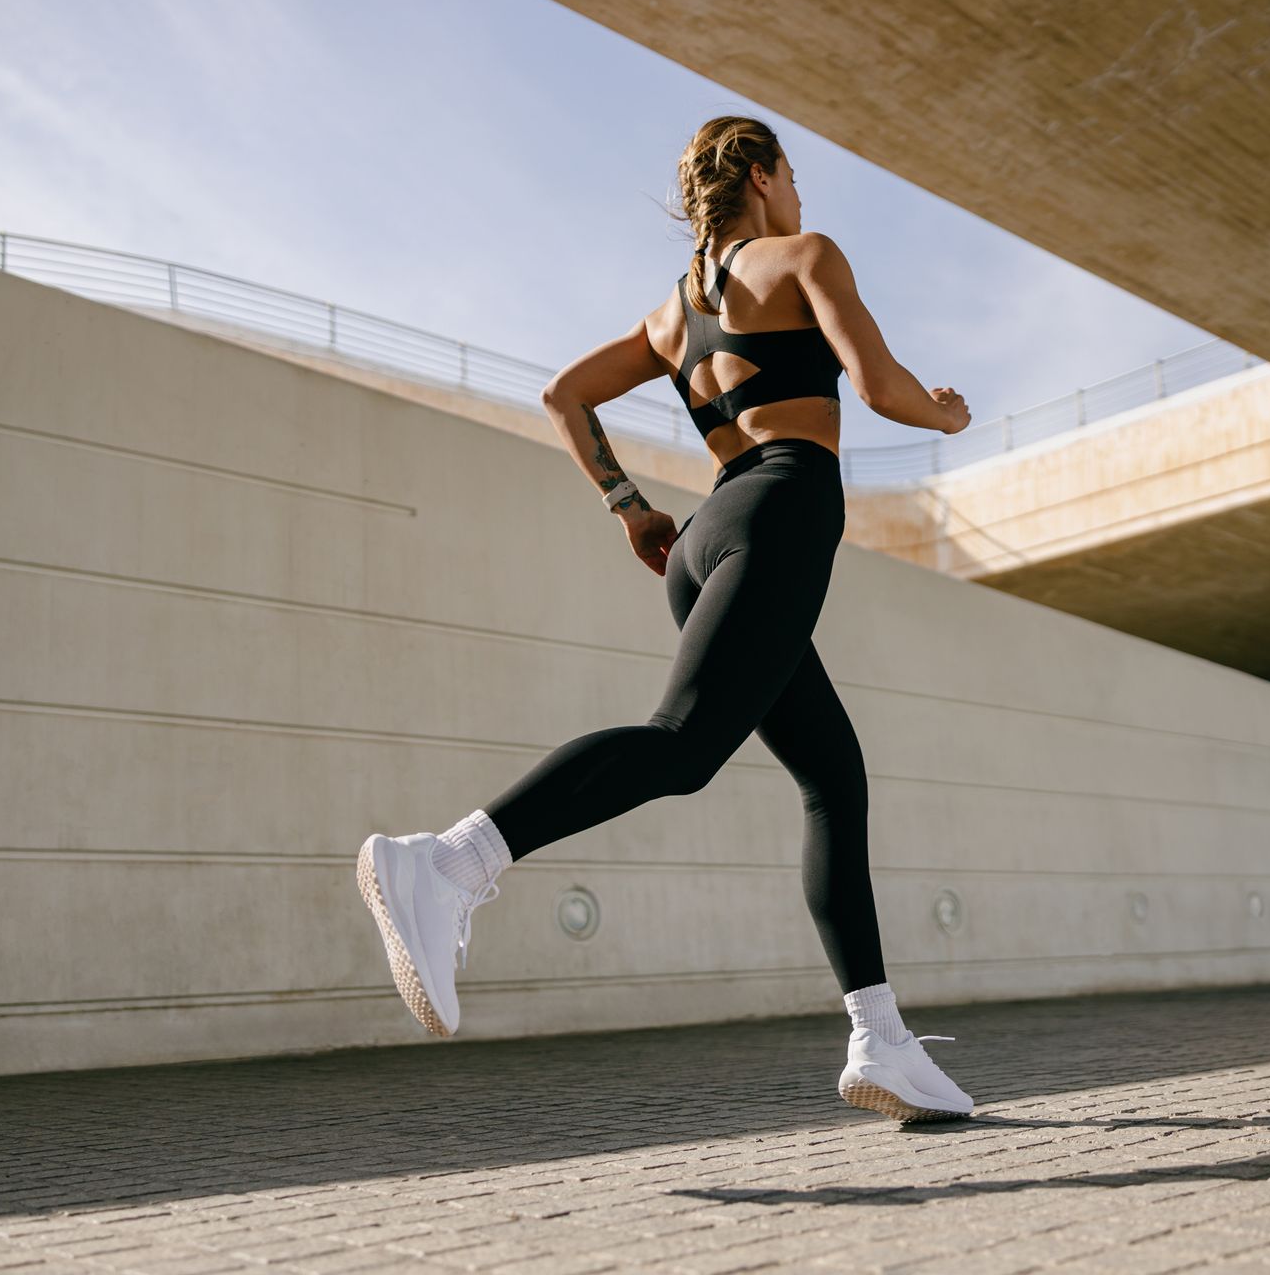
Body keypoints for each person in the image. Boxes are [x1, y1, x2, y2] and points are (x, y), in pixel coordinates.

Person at [356, 115, 976, 1122]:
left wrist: (627, 505)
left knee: (832, 775)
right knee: (681, 745)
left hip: (705, 534)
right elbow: (875, 383)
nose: (804, 198)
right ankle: (447, 862)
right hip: (777, 511)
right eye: (796, 177)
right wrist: (943, 415)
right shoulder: (804, 255)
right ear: (766, 176)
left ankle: (882, 1039)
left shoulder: (672, 313)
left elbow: (567, 395)